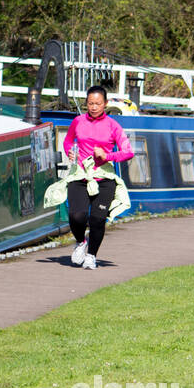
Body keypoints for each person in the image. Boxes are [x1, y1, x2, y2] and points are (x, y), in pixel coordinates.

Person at [59, 85, 133, 269]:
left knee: (98, 219)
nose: (93, 107)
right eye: (90, 103)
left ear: (105, 104)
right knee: (77, 216)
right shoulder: (78, 121)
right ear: (86, 103)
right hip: (81, 175)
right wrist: (70, 153)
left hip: (104, 178)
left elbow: (128, 152)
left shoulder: (113, 126)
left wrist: (107, 156)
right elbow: (68, 141)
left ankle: (91, 255)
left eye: (97, 104)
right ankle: (81, 242)